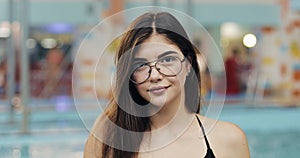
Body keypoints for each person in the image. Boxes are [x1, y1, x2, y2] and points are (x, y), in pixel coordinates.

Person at [84, 12, 250, 158]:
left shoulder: (228, 139)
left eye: (167, 60)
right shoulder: (109, 139)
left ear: (188, 65)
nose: (155, 75)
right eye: (141, 65)